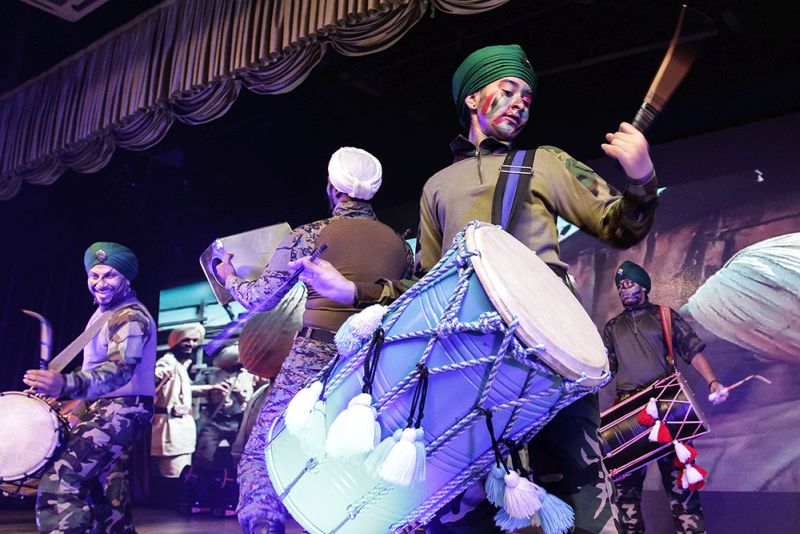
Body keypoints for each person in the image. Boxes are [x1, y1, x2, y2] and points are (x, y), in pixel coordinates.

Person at [292, 45, 659, 533]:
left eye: (527, 96)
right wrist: (352, 292)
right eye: (507, 91)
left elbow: (620, 227)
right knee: (474, 501)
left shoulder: (545, 163)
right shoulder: (438, 187)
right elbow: (424, 283)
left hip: (549, 344)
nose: (520, 102)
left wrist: (641, 177)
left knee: (583, 476)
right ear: (472, 99)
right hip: (466, 347)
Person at [215, 146, 414, 534]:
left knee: (263, 449)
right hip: (373, 363)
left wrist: (228, 277)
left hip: (315, 354)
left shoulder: (307, 236)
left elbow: (260, 299)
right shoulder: (400, 246)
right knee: (353, 456)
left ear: (331, 187)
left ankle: (263, 524)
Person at [23, 242, 156, 534]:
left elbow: (120, 370)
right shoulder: (104, 313)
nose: (100, 283)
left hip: (123, 410)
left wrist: (66, 384)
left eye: (110, 276)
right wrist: (69, 398)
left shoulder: (130, 316)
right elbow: (94, 369)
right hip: (111, 409)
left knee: (61, 481)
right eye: (93, 276)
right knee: (108, 497)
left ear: (127, 278)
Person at [602, 261, 727, 534]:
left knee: (681, 485)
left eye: (630, 284)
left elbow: (691, 351)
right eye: (620, 286)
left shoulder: (664, 316)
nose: (624, 290)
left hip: (666, 405)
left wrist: (713, 381)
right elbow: (606, 371)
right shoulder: (612, 327)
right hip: (627, 412)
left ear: (644, 286)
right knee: (625, 491)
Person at [151, 323, 206, 480]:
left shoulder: (181, 365)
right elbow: (154, 377)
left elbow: (185, 390)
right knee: (174, 478)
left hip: (181, 433)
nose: (191, 344)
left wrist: (210, 388)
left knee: (183, 475)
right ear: (176, 342)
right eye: (186, 340)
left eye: (195, 340)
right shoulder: (168, 362)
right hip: (170, 431)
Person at [193, 345, 254, 471]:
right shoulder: (212, 376)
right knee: (205, 455)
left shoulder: (248, 376)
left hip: (238, 422)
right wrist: (212, 388)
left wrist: (239, 393)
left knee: (241, 455)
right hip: (215, 421)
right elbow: (193, 390)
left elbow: (253, 398)